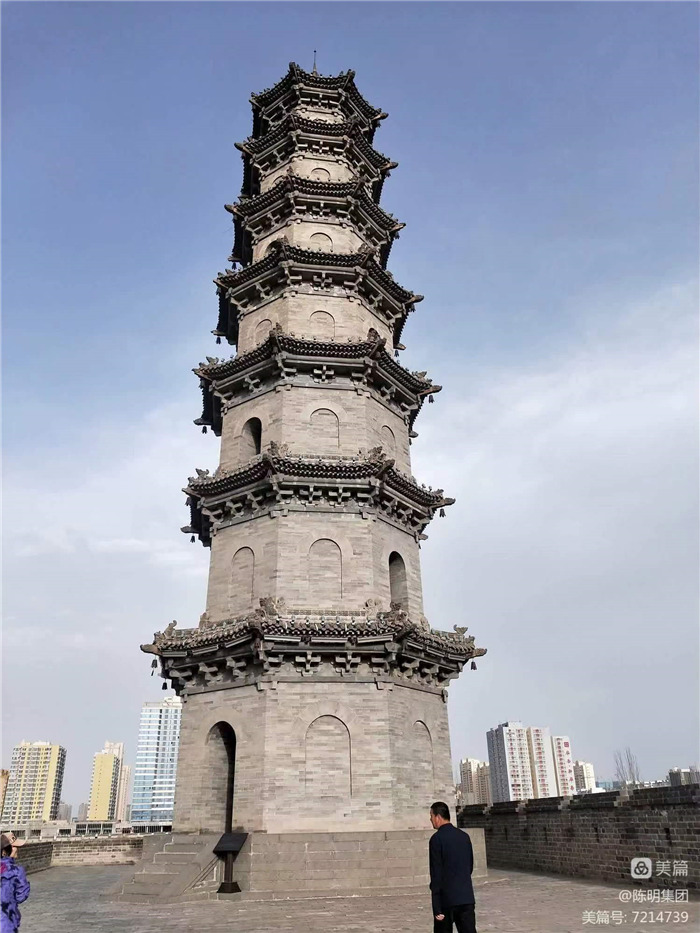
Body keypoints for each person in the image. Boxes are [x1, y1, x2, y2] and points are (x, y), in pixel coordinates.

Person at [428, 801, 476, 933]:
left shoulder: (436, 839)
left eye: (431, 816)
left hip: (446, 900)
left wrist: (436, 907)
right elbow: (469, 867)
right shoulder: (464, 837)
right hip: (466, 898)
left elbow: (436, 874)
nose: (430, 819)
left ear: (438, 817)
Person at [1, 834, 30, 933]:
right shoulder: (16, 871)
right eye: (14, 846)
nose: (17, 849)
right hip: (6, 922)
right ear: (5, 851)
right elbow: (21, 896)